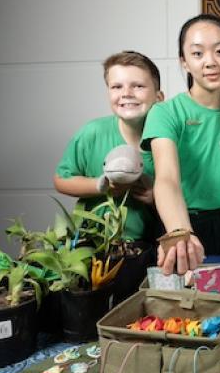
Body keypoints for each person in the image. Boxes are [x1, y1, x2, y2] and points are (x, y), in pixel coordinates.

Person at [141, 14, 220, 275]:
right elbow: (166, 178)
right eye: (198, 53)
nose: (210, 61)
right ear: (184, 62)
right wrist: (180, 232)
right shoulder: (166, 112)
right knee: (181, 307)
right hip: (180, 220)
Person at [55, 50, 164, 245]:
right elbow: (61, 180)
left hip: (149, 247)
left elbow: (187, 199)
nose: (126, 94)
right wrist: (101, 185)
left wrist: (157, 197)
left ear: (159, 97)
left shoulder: (168, 143)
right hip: (93, 246)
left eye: (138, 86)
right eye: (116, 86)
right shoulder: (92, 133)